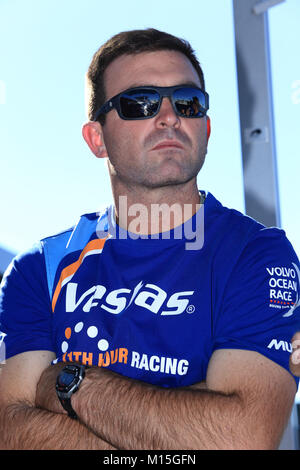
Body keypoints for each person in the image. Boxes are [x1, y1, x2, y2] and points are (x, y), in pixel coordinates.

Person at [0, 28, 299, 451]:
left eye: (187, 102)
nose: (169, 116)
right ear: (97, 139)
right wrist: (180, 422)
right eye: (139, 103)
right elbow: (9, 431)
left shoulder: (258, 256)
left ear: (207, 127)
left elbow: (242, 437)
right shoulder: (40, 268)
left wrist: (68, 384)